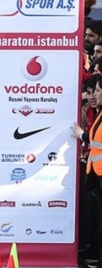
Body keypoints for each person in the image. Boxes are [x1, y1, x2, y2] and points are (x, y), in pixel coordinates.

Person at [73, 75, 102, 268]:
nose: (94, 96)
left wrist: (82, 136)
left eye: (97, 91)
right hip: (97, 174)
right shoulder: (96, 113)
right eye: (91, 92)